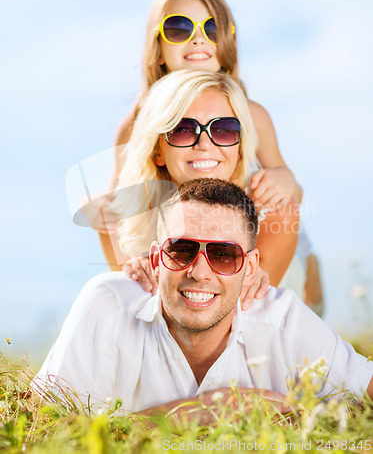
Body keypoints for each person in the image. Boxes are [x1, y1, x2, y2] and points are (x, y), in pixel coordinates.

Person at [34, 179, 373, 418]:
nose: (199, 272)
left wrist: (310, 417)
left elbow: (366, 394)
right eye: (181, 250)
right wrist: (199, 411)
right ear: (155, 259)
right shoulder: (107, 303)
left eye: (224, 255)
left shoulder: (282, 320)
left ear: (250, 268)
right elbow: (41, 425)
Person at [93, 0, 322, 312]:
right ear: (157, 47)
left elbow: (289, 192)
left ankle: (304, 288)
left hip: (249, 229)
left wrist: (284, 178)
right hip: (176, 234)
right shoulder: (135, 123)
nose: (198, 38)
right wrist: (133, 261)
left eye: (211, 27)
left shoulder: (250, 112)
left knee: (280, 248)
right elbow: (115, 212)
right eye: (179, 28)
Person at [103, 70, 299, 309]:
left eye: (224, 129)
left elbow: (238, 319)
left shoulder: (275, 211)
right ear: (157, 150)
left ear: (240, 147)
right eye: (183, 129)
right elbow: (133, 314)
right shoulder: (122, 217)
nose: (205, 145)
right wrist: (133, 276)